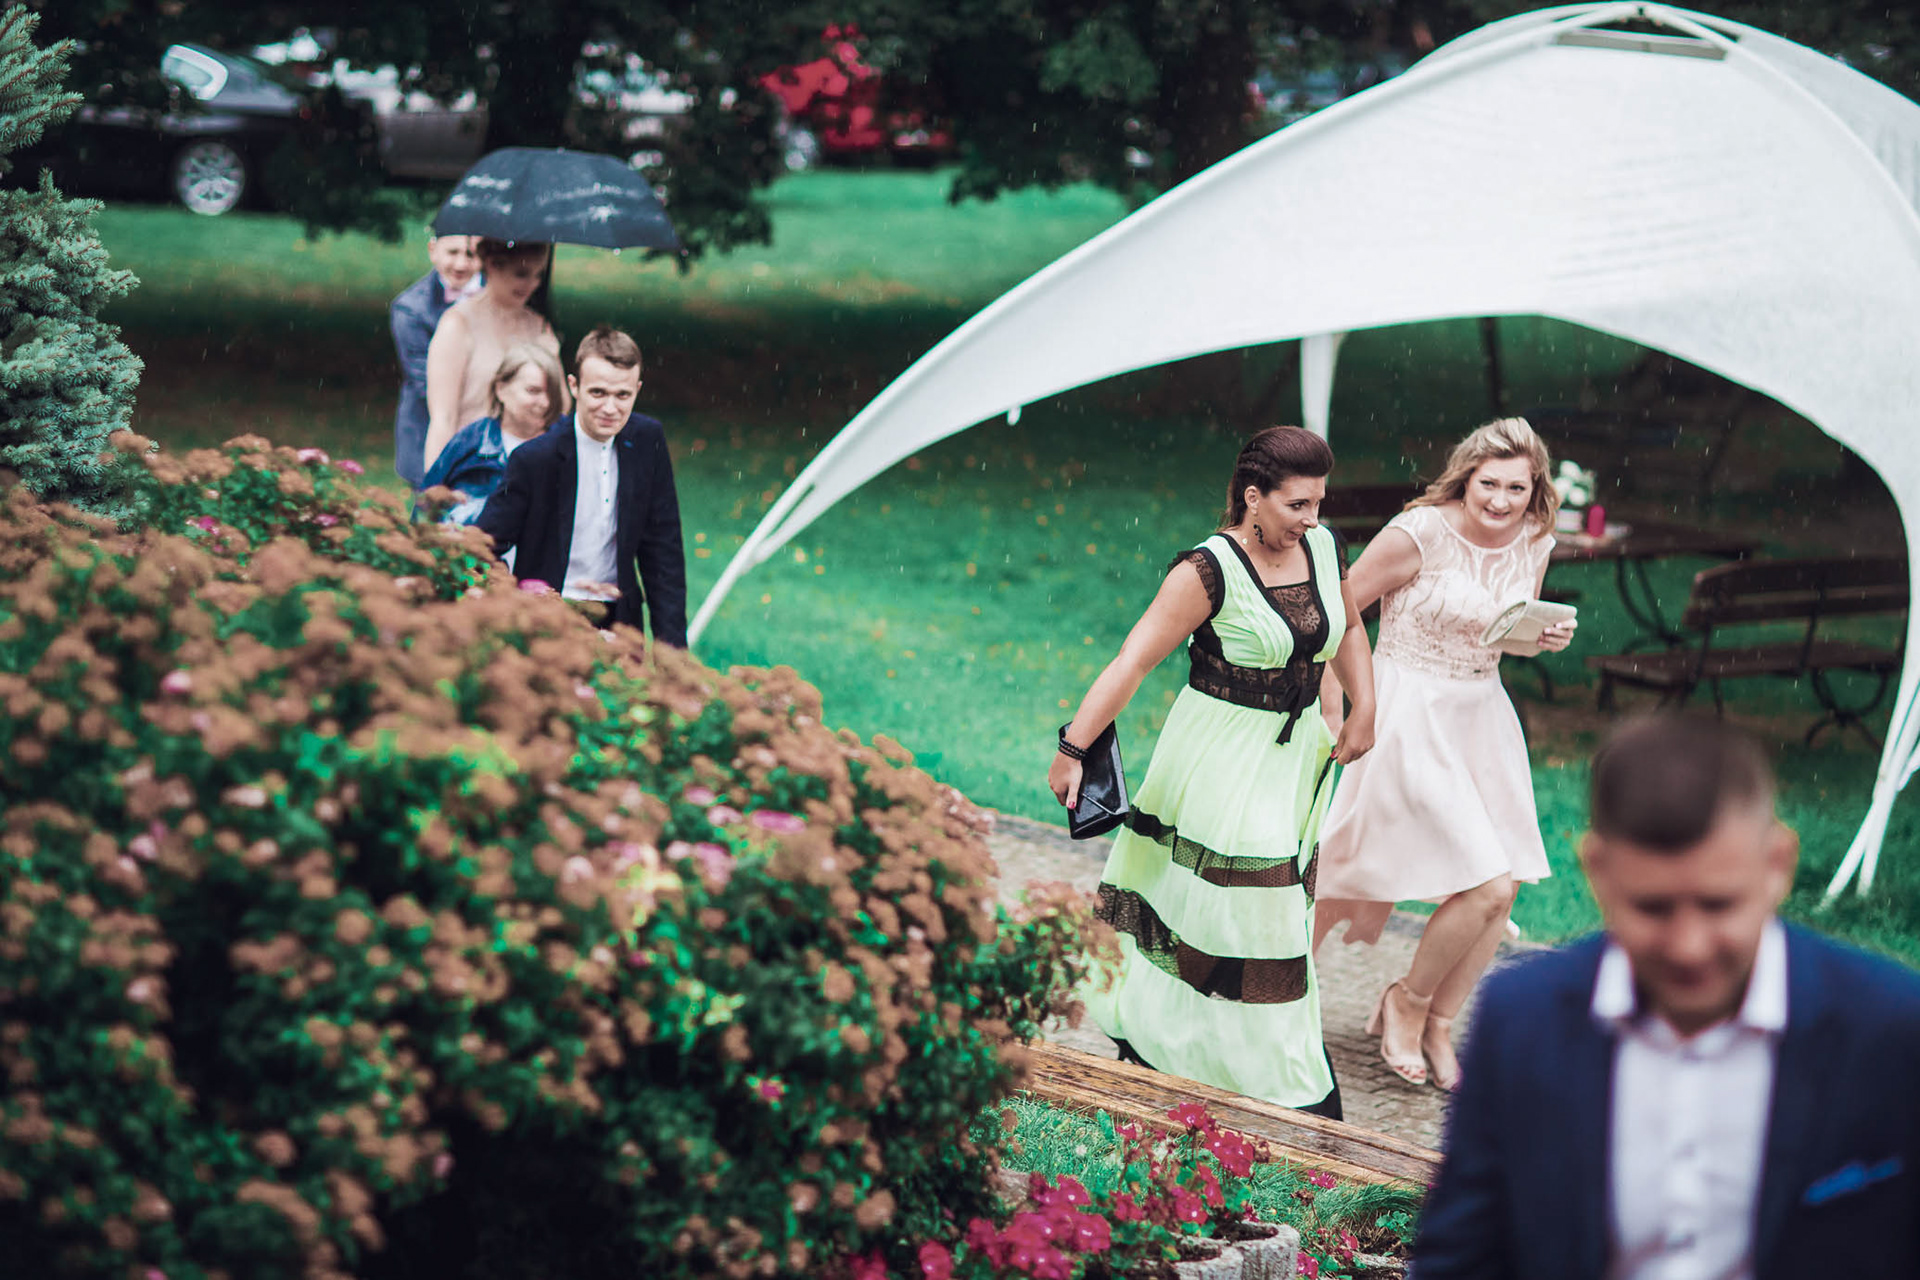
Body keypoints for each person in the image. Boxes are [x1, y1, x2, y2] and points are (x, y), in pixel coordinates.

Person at [1413, 714, 1920, 1280]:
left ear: (1777, 864)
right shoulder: (1522, 1020)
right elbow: (1461, 1259)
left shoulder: (1891, 1028)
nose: (1689, 947)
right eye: (1652, 908)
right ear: (1598, 871)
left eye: (1718, 905)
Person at [1049, 426, 1376, 1117]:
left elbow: (1348, 628)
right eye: (1297, 505)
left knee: (1248, 912)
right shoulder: (1206, 571)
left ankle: (1196, 1049)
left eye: (1318, 502)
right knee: (1247, 912)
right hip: (1218, 757)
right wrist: (1074, 748)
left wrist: (1363, 706)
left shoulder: (1324, 546)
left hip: (1293, 761)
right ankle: (1289, 1085)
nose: (1312, 518)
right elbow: (1134, 660)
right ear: (1253, 497)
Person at [1314, 418, 1575, 1091]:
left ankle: (1437, 1023)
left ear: (1535, 489)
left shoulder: (1535, 538)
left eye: (1517, 488)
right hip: (1409, 710)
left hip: (1481, 718)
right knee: (1487, 883)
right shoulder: (1421, 532)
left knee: (1504, 886)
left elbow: (1501, 633)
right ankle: (1406, 1001)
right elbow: (1340, 612)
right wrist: (1338, 703)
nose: (1501, 500)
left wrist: (1539, 638)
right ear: (1466, 477)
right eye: (1490, 484)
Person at [476, 326, 688, 647]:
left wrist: (672, 654)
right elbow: (483, 544)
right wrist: (508, 602)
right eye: (598, 393)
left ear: (637, 389)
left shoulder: (648, 441)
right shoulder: (535, 459)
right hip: (549, 616)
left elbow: (663, 553)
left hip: (619, 619)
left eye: (623, 395)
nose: (610, 408)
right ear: (574, 386)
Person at [423, 238, 564, 476]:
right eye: (521, 274)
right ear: (492, 264)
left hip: (531, 464)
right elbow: (443, 418)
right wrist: (435, 486)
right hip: (475, 465)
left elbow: (560, 407)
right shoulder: (457, 325)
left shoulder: (539, 326)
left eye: (538, 275)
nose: (532, 284)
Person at [419, 343, 565, 527]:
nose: (545, 402)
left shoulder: (565, 442)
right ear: (500, 389)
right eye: (533, 391)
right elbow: (424, 513)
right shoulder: (471, 442)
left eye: (551, 393)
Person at [390, 233, 481, 487]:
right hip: (426, 429)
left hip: (489, 436)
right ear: (433, 250)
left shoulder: (503, 296)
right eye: (452, 252)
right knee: (434, 504)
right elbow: (426, 382)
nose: (461, 264)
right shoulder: (411, 309)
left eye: (471, 254)